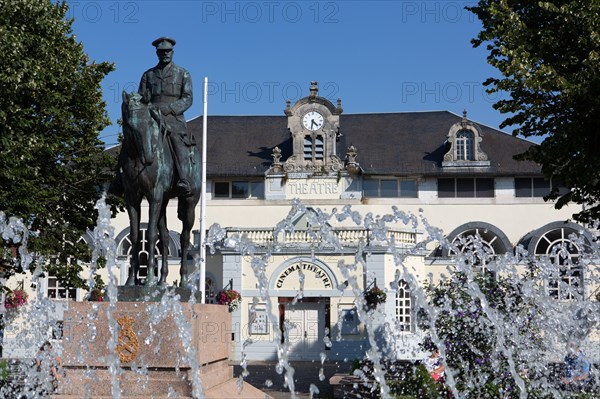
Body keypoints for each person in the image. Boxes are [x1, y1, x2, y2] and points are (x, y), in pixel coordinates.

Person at [138, 36, 194, 196]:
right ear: (157, 53)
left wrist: (170, 108)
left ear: (173, 52)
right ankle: (120, 179)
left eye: (168, 51)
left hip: (173, 119)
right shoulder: (148, 75)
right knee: (133, 136)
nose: (165, 54)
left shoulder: (183, 74)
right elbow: (140, 98)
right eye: (162, 51)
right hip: (151, 117)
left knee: (176, 139)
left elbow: (188, 98)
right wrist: (147, 106)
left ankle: (183, 178)